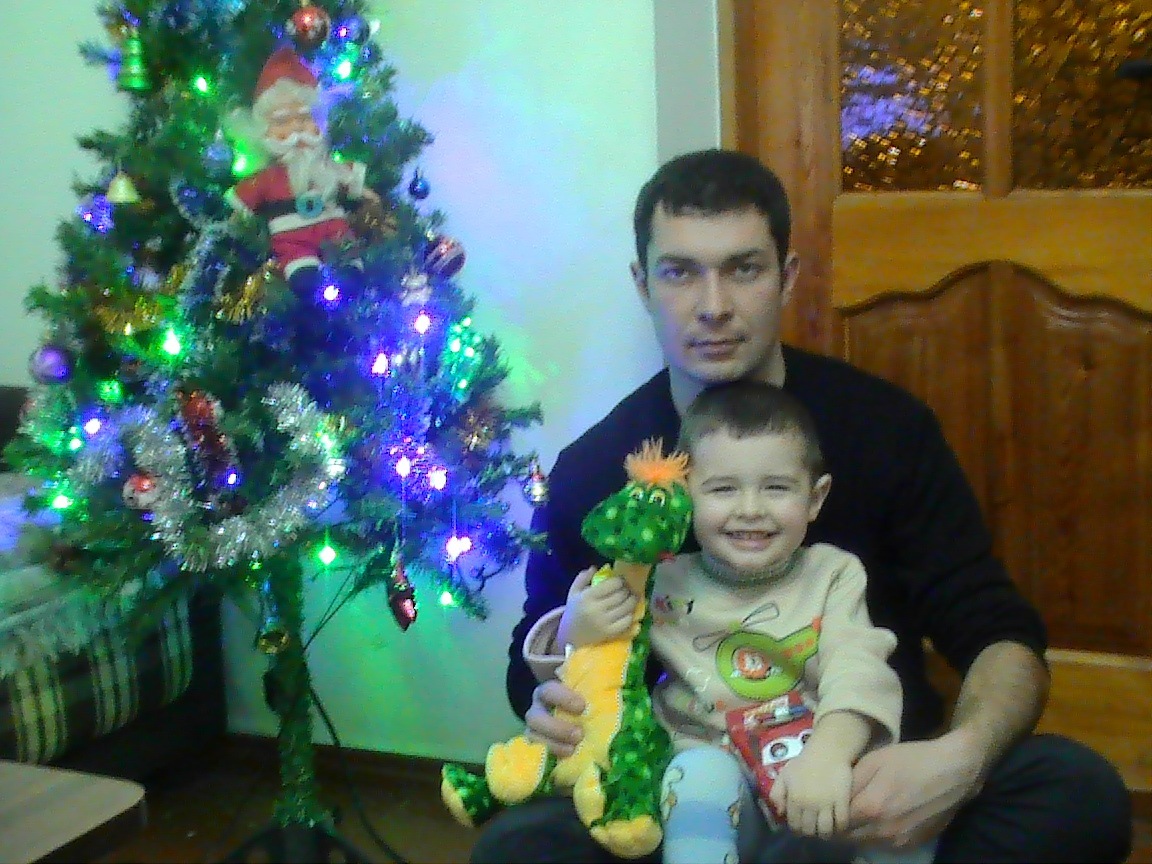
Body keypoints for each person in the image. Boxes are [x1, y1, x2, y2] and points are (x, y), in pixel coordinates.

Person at [471, 149, 1133, 863]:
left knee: (1078, 794)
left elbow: (996, 629)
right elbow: (534, 652)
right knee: (518, 849)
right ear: (643, 284)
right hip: (690, 794)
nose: (713, 304)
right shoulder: (597, 470)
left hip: (868, 793)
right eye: (680, 272)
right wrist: (550, 698)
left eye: (743, 269)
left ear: (786, 277)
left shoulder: (887, 428)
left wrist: (961, 760)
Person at [526, 380, 932, 864]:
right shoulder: (658, 579)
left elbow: (858, 669)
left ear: (815, 497)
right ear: (685, 496)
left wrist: (829, 755)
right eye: (723, 489)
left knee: (900, 813)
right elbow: (593, 672)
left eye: (776, 488)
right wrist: (575, 629)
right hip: (704, 781)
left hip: (814, 773)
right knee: (699, 776)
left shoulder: (832, 574)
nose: (750, 510)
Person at [225, 46, 379, 294]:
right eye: (283, 121)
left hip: (336, 232)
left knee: (350, 266)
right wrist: (236, 226)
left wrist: (370, 197)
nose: (297, 129)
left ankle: (350, 273)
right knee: (302, 274)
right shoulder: (268, 178)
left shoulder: (327, 167)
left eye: (305, 118)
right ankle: (306, 277)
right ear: (264, 131)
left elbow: (351, 181)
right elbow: (240, 208)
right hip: (293, 243)